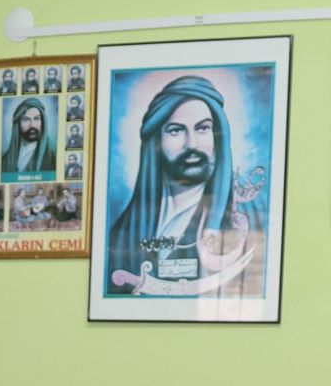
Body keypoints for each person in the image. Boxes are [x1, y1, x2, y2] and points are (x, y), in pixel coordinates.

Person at [104, 73, 264, 293]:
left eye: (203, 128)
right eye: (176, 130)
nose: (192, 143)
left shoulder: (243, 221)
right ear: (156, 141)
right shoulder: (124, 230)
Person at [1, 97, 56, 176]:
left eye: (36, 118)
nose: (32, 125)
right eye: (26, 119)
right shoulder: (4, 161)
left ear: (43, 122)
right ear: (18, 123)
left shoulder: (53, 159)